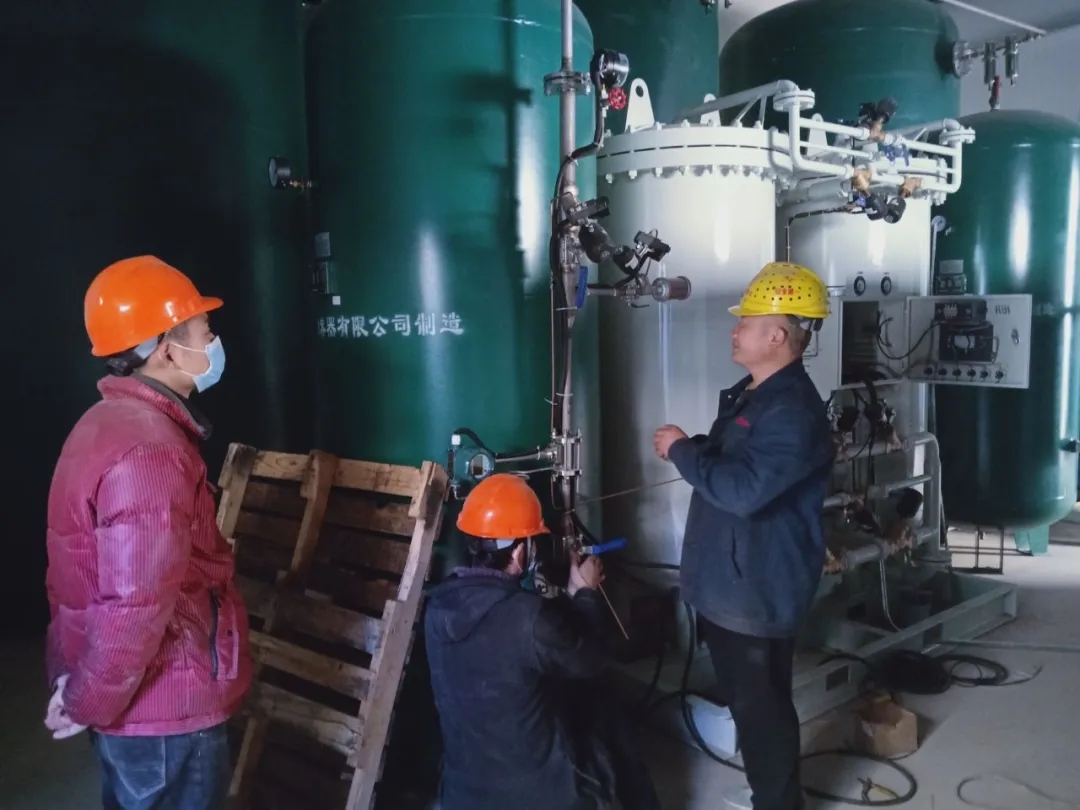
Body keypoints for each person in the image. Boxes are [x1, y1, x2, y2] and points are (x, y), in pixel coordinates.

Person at [43, 255, 252, 810]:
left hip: (133, 707)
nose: (214, 343)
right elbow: (134, 604)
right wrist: (86, 700)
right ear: (166, 348)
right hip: (167, 711)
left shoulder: (103, 423)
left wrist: (76, 683)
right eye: (205, 331)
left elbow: (75, 576)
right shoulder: (151, 451)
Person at [652, 262, 835, 810]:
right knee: (753, 700)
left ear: (777, 336)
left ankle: (778, 803)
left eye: (746, 323)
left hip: (757, 587)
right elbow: (737, 460)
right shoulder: (756, 395)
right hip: (734, 578)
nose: (735, 331)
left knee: (761, 708)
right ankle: (772, 792)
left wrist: (681, 450)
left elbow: (744, 490)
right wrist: (697, 448)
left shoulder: (792, 411)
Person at [423, 473, 662, 810]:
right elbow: (590, 659)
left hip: (464, 794)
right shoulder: (527, 617)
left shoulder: (438, 606)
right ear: (521, 552)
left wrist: (570, 597)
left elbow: (513, 643)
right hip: (536, 797)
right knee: (606, 711)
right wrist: (586, 595)